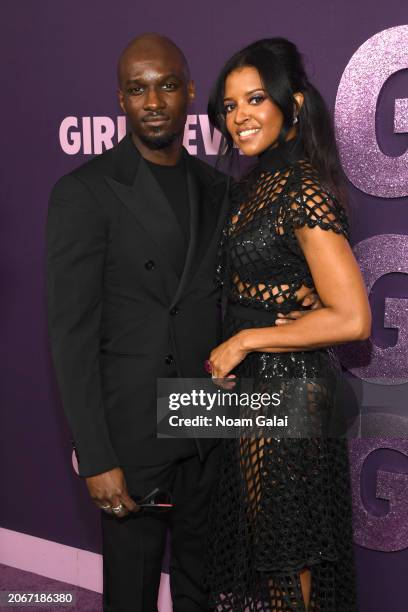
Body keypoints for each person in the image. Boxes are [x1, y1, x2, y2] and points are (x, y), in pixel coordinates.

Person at [46, 33, 231, 612]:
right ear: (120, 101)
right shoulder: (85, 192)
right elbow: (71, 337)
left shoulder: (220, 188)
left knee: (204, 590)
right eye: (138, 89)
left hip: (208, 427)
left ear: (190, 92)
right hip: (132, 441)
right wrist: (96, 457)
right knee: (131, 596)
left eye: (167, 86)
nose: (153, 101)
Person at [204, 38, 371, 611]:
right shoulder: (251, 187)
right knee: (268, 555)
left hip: (292, 390)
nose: (239, 116)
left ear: (293, 105)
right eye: (229, 106)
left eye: (254, 98)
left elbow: (353, 318)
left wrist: (248, 339)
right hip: (258, 390)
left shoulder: (302, 188)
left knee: (288, 558)